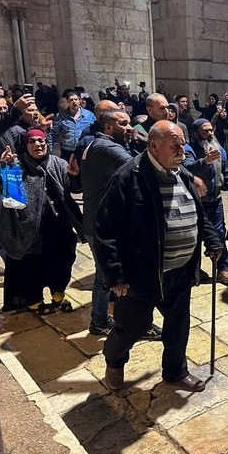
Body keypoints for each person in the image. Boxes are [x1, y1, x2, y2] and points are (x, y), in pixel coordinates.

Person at [95, 121, 222, 392]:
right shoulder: (129, 177)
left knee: (178, 325)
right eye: (175, 145)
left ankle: (175, 372)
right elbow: (105, 229)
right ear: (154, 146)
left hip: (181, 270)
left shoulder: (182, 174)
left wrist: (211, 239)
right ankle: (114, 359)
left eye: (183, 144)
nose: (182, 151)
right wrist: (115, 274)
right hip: (142, 273)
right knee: (133, 327)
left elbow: (197, 213)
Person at [0, 129, 85, 314]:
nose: (38, 145)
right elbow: (8, 196)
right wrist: (3, 167)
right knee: (33, 267)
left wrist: (75, 176)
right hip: (32, 230)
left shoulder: (58, 163)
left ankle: (58, 295)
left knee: (63, 262)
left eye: (41, 141)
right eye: (33, 142)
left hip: (60, 228)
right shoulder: (16, 166)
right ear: (26, 145)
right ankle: (34, 300)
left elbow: (73, 187)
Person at [81, 110, 133, 335]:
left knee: (105, 273)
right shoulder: (108, 148)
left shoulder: (98, 145)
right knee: (107, 274)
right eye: (124, 124)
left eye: (130, 123)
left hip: (98, 221)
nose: (130, 127)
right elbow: (138, 166)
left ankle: (102, 319)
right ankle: (101, 321)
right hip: (102, 224)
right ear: (108, 127)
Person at [184, 119, 228, 283]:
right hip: (197, 202)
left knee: (219, 234)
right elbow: (186, 168)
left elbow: (226, 171)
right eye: (205, 131)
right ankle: (195, 270)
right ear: (196, 133)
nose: (210, 134)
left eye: (211, 130)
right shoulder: (189, 149)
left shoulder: (219, 149)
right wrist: (204, 162)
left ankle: (223, 269)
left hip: (215, 201)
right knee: (195, 238)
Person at [50, 92, 96, 160]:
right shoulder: (60, 116)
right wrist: (49, 150)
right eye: (71, 100)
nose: (74, 102)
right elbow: (53, 134)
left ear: (79, 101)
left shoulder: (89, 115)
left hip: (84, 151)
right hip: (67, 151)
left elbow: (96, 131)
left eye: (76, 99)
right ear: (68, 102)